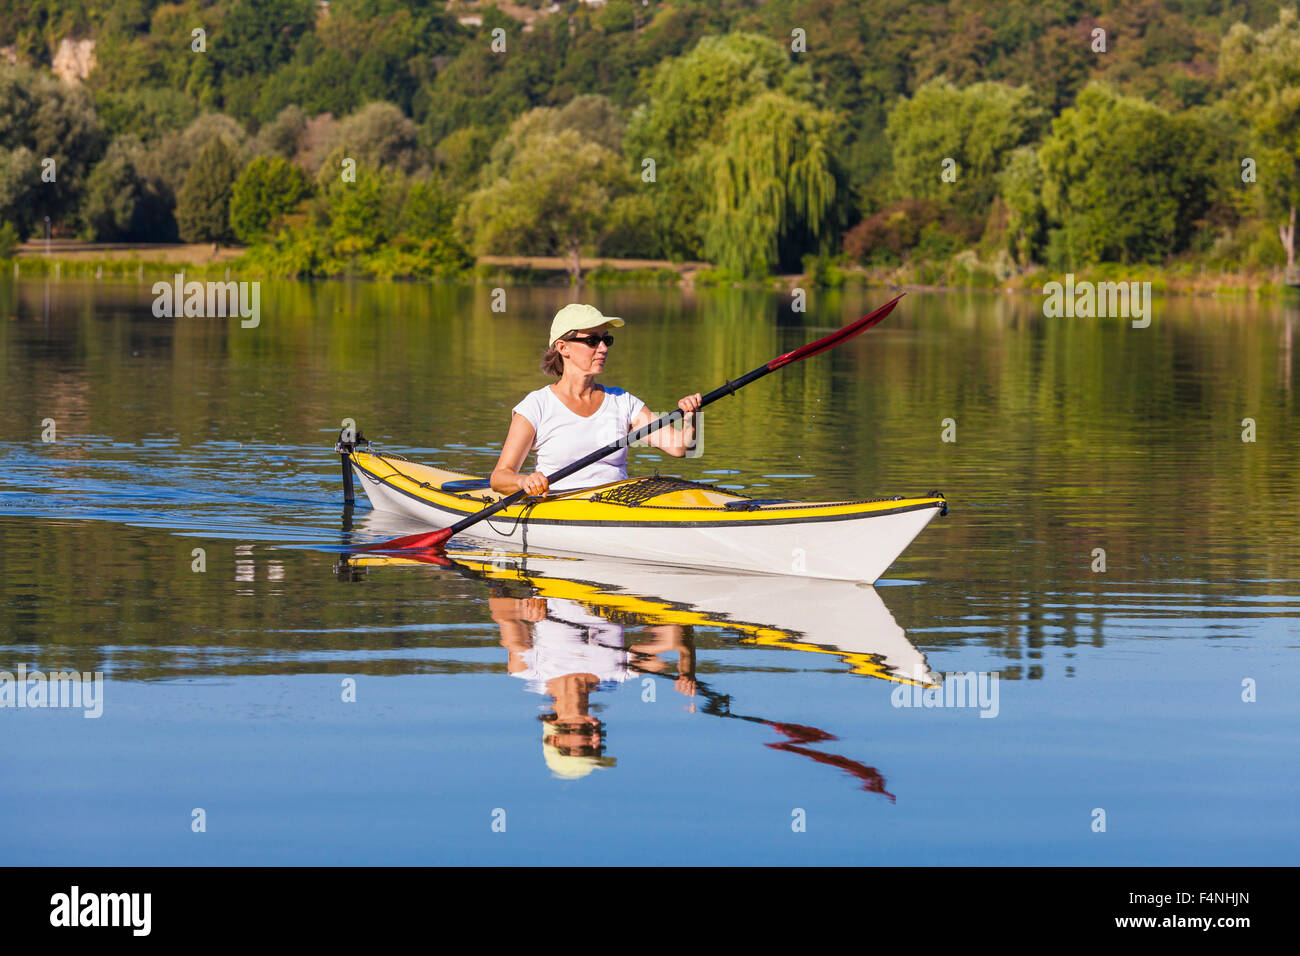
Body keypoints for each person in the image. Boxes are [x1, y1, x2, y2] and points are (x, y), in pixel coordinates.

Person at [490, 303, 702, 496]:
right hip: (560, 506)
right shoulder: (536, 406)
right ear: (563, 348)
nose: (603, 348)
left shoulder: (622, 401)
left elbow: (682, 448)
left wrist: (691, 417)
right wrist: (524, 481)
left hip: (620, 503)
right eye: (592, 341)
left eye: (606, 339)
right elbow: (500, 477)